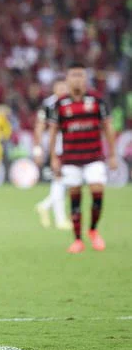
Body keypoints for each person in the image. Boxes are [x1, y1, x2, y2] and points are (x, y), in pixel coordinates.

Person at [49, 62, 117, 253]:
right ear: (67, 79)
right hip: (70, 158)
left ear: (86, 78)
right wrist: (54, 157)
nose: (77, 78)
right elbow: (53, 132)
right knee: (75, 197)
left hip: (94, 156)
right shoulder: (60, 104)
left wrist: (112, 155)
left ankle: (93, 230)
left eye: (80, 75)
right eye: (73, 75)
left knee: (97, 191)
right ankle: (77, 239)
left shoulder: (97, 100)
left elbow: (108, 127)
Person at [33, 79, 71, 230]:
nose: (62, 89)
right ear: (54, 88)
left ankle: (45, 205)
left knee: (69, 181)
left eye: (64, 87)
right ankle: (60, 220)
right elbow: (40, 127)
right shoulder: (49, 104)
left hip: (73, 146)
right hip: (58, 147)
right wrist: (37, 150)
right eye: (59, 87)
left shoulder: (71, 101)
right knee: (60, 180)